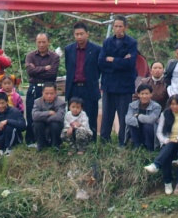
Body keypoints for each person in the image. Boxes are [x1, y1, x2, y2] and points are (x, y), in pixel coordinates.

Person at [98, 16, 137, 144]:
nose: (118, 29)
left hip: (124, 85)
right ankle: (104, 141)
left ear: (126, 27)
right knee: (107, 115)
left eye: (120, 26)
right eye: (116, 26)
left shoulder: (131, 42)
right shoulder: (107, 42)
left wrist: (113, 60)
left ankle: (123, 142)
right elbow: (101, 62)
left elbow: (130, 64)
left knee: (123, 115)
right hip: (108, 84)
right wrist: (120, 61)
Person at [144, 95, 178, 194]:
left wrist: (177, 139)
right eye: (172, 104)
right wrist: (165, 141)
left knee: (171, 147)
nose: (175, 106)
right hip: (169, 142)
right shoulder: (165, 114)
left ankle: (156, 165)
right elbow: (159, 132)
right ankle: (167, 183)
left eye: (177, 104)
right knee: (167, 154)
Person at [64, 22, 101, 127]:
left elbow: (99, 69)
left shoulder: (96, 49)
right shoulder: (68, 49)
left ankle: (91, 140)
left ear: (87, 34)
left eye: (81, 34)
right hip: (74, 87)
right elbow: (68, 67)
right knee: (72, 116)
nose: (79, 37)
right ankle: (73, 139)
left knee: (90, 115)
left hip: (89, 87)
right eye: (77, 34)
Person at [23, 32, 58, 142]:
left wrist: (36, 69)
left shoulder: (54, 57)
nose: (41, 45)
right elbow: (29, 71)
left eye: (44, 42)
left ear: (49, 42)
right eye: (39, 42)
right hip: (34, 88)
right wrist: (44, 68)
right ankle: (30, 139)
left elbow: (52, 73)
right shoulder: (30, 55)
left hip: (49, 89)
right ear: (36, 42)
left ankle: (47, 139)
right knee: (31, 113)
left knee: (49, 113)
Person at [124, 85, 161, 150]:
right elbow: (127, 119)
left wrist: (138, 116)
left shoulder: (156, 106)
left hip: (150, 133)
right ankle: (136, 146)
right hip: (137, 130)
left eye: (147, 94)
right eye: (142, 94)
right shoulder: (132, 105)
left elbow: (151, 120)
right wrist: (138, 121)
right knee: (131, 123)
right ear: (138, 95)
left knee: (147, 125)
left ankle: (149, 148)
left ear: (151, 94)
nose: (144, 96)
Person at [31, 84, 66, 149]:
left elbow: (59, 117)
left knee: (55, 124)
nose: (49, 96)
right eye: (46, 93)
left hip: (55, 125)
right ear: (42, 93)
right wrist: (49, 113)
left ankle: (55, 145)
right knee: (37, 124)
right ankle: (40, 144)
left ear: (55, 93)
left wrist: (44, 118)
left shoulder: (61, 103)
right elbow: (34, 116)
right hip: (42, 124)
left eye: (51, 93)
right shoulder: (37, 102)